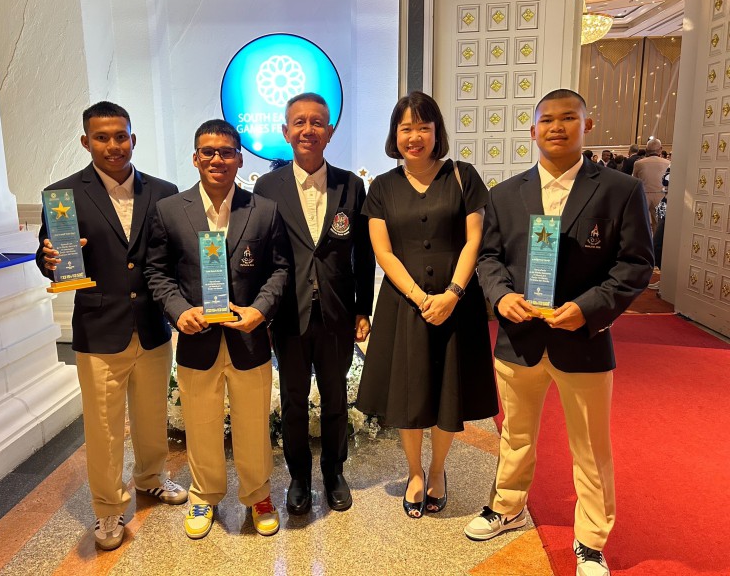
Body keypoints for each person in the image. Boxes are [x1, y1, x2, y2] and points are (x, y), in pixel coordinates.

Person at [464, 89, 653, 576]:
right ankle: (507, 506)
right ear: (533, 130)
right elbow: (489, 258)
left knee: (590, 447)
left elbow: (635, 264)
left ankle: (590, 540)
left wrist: (587, 309)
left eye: (568, 118)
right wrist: (501, 297)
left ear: (586, 126)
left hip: (582, 340)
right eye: (547, 119)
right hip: (519, 338)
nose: (556, 127)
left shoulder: (619, 190)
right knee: (515, 435)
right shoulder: (505, 193)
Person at [36, 101, 186, 551]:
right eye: (101, 137)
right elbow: (49, 256)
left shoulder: (164, 192)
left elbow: (173, 256)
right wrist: (48, 260)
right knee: (103, 426)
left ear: (132, 139)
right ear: (86, 142)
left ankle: (150, 478)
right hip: (99, 327)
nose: (113, 145)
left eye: (121, 136)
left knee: (152, 413)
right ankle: (107, 507)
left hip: (152, 325)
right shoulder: (62, 195)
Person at [356, 91, 499, 519]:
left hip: (457, 303)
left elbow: (474, 240)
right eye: (406, 128)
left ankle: (438, 470)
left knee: (447, 390)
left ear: (437, 132)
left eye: (423, 127)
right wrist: (421, 298)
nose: (414, 136)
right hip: (404, 305)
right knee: (410, 392)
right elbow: (383, 252)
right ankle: (415, 472)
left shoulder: (462, 176)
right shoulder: (382, 187)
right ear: (394, 135)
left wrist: (452, 294)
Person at [145, 119, 290, 539]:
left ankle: (258, 495)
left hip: (248, 337)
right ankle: (204, 496)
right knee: (201, 423)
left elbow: (280, 271)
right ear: (195, 158)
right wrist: (178, 311)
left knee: (253, 424)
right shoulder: (170, 210)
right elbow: (157, 272)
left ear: (239, 159)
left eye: (226, 152)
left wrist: (260, 311)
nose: (217, 159)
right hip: (197, 339)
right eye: (208, 152)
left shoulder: (263, 210)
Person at [254, 93, 375, 515]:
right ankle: (299, 477)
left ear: (330, 131)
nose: (309, 130)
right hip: (288, 313)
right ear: (286, 131)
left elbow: (363, 253)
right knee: (292, 400)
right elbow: (263, 252)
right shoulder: (267, 187)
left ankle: (334, 472)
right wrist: (261, 308)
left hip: (337, 313)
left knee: (336, 397)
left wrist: (363, 307)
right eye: (300, 122)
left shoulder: (351, 185)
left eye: (317, 122)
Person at [632, 137, 670, 231]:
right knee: (659, 225)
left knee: (641, 224)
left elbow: (634, 180)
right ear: (660, 149)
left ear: (646, 149)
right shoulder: (668, 163)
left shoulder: (638, 163)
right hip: (661, 196)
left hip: (643, 195)